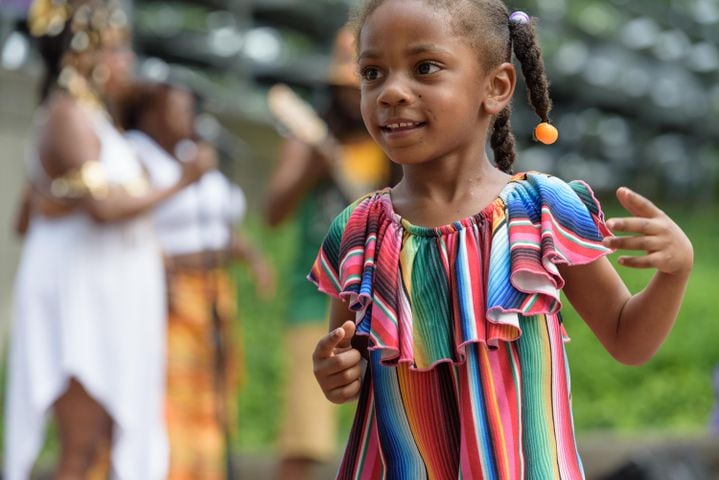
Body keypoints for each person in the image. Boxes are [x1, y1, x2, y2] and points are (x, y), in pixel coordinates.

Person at [309, 1, 694, 478]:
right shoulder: (358, 231)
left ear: (496, 87)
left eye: (424, 68)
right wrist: (336, 372)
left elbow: (628, 340)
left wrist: (674, 272)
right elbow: (353, 360)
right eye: (372, 72)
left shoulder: (540, 210)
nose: (391, 92)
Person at [3, 1, 213, 479]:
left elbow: (38, 207)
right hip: (81, 296)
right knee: (82, 442)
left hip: (111, 293)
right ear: (82, 54)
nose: (128, 62)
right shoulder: (68, 114)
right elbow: (103, 209)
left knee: (99, 439)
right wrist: (184, 180)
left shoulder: (97, 118)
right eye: (118, 50)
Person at [122, 80, 274, 480]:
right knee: (174, 396)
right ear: (153, 113)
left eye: (191, 108)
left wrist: (252, 256)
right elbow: (130, 224)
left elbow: (218, 222)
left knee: (213, 394)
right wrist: (185, 181)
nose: (190, 117)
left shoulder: (196, 155)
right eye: (179, 108)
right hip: (171, 292)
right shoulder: (137, 155)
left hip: (214, 288)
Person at [265, 27, 397, 480]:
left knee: (392, 425)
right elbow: (272, 212)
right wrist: (311, 169)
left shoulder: (393, 142)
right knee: (307, 430)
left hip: (385, 297)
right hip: (316, 296)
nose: (353, 97)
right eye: (346, 87)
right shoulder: (309, 142)